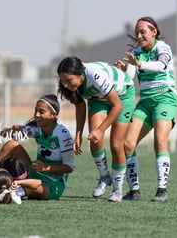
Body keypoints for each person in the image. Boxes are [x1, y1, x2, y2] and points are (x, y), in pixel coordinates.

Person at [114, 16, 177, 202]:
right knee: (128, 144)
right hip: (145, 102)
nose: (140, 35)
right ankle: (134, 191)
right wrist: (124, 70)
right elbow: (131, 75)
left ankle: (162, 190)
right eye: (137, 32)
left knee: (160, 140)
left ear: (154, 32)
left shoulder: (163, 48)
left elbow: (160, 65)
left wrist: (138, 64)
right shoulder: (136, 52)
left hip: (165, 98)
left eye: (143, 31)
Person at [57, 56, 135, 202]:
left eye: (68, 80)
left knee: (116, 144)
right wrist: (78, 134)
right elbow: (80, 106)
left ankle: (118, 190)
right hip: (98, 98)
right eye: (62, 81)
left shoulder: (95, 76)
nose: (65, 85)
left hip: (123, 96)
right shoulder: (68, 84)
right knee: (94, 141)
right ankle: (105, 177)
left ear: (80, 75)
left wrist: (100, 130)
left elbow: (117, 106)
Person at [0, 94, 75, 200]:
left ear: (53, 115)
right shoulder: (38, 129)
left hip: (53, 184)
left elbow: (69, 167)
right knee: (12, 144)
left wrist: (46, 168)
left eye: (41, 112)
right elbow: (4, 135)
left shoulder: (62, 135)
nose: (36, 115)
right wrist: (12, 130)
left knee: (38, 188)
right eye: (36, 111)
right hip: (35, 173)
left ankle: (17, 191)